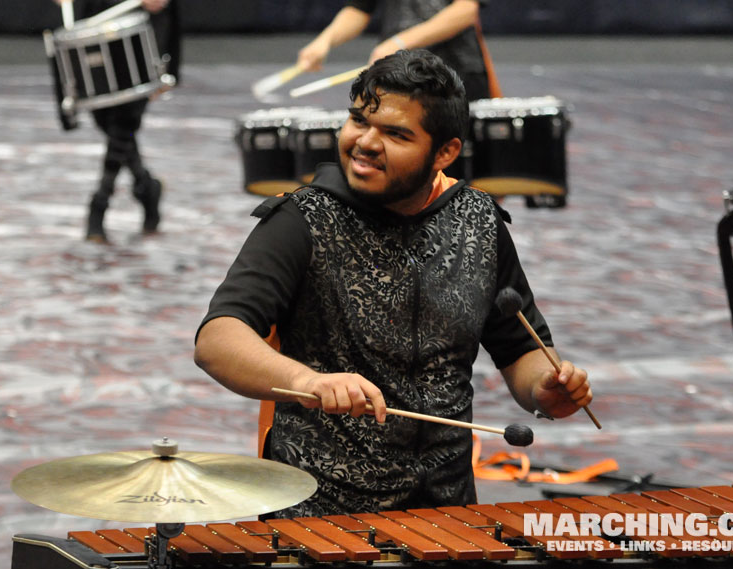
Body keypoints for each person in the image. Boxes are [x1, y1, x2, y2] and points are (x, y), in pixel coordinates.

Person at [194, 49, 591, 517]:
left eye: (396, 134)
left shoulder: (479, 221)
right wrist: (308, 381)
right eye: (359, 121)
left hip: (447, 513)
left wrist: (546, 388)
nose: (365, 142)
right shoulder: (301, 219)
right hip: (320, 514)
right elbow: (217, 340)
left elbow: (519, 349)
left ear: (444, 152)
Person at [52, 0, 181, 243]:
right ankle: (146, 186)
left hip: (137, 31)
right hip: (94, 22)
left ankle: (99, 203)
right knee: (109, 124)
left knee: (124, 124)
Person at [297, 0, 497, 101]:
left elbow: (466, 10)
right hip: (400, 75)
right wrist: (325, 40)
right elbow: (359, 9)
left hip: (455, 74)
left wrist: (400, 42)